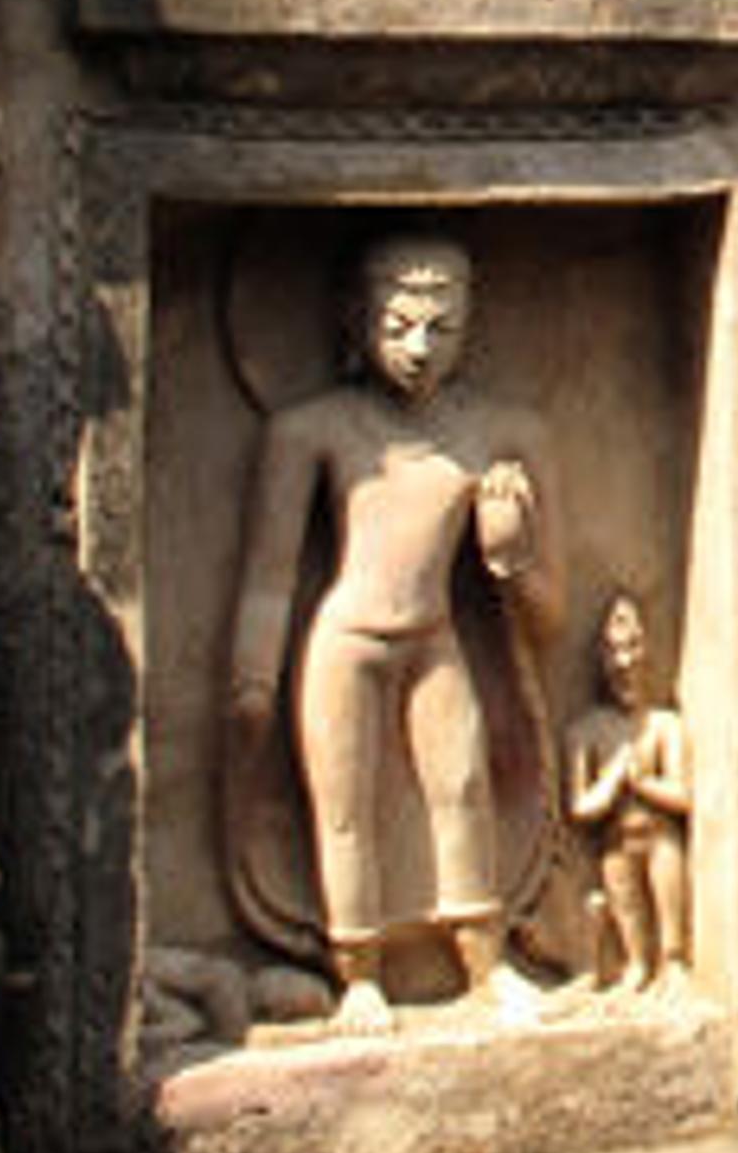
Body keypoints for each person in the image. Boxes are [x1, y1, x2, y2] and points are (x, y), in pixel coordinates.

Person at [231, 232, 560, 1029]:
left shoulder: (502, 432)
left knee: (463, 790)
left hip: (434, 637)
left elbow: (551, 622)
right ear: (357, 320)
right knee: (345, 809)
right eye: (399, 324)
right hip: (346, 641)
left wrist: (510, 554)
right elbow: (271, 575)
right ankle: (360, 977)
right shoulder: (312, 430)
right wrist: (251, 677)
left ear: (469, 327)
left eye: (441, 328)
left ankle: (485, 963)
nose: (419, 347)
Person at [564, 593, 692, 995]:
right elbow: (580, 807)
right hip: (616, 844)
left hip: (660, 839)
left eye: (632, 647)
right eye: (614, 651)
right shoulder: (586, 731)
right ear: (601, 661)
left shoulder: (663, 725)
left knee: (668, 915)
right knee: (629, 912)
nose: (624, 662)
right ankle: (635, 965)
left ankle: (673, 963)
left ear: (647, 652)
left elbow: (684, 797)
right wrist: (613, 780)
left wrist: (643, 785)